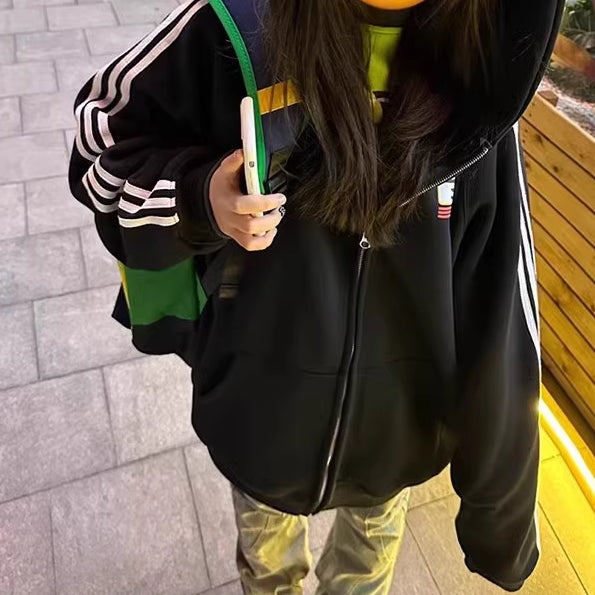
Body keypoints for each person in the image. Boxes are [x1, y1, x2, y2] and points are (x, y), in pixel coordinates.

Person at [68, 0, 563, 592]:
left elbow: (501, 300)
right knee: (268, 569)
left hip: (397, 436)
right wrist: (202, 197)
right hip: (260, 420)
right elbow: (101, 140)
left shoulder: (488, 75)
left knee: (364, 571)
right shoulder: (237, 25)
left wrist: (500, 517)